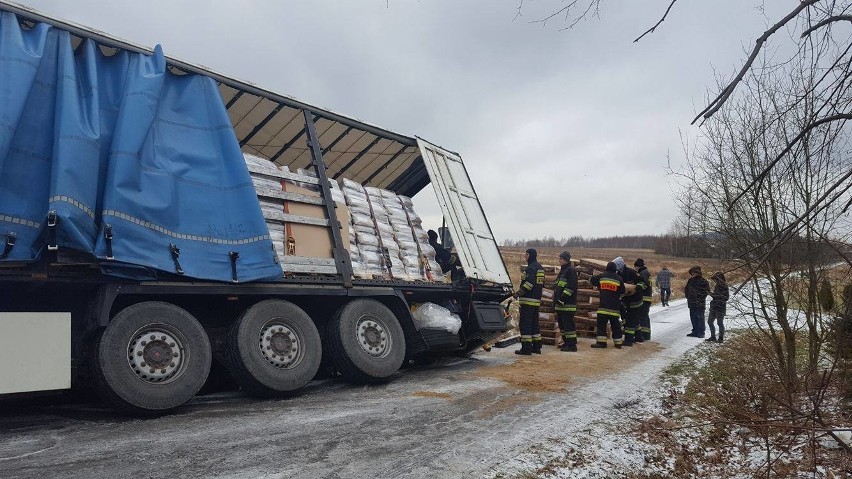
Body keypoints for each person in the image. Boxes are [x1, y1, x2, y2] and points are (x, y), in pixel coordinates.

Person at [514, 248, 545, 355]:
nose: (525, 256)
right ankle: (537, 347)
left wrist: (518, 293)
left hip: (527, 301)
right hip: (536, 301)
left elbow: (529, 284)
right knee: (534, 324)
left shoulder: (530, 268)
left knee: (525, 325)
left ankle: (526, 348)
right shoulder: (540, 268)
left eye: (526, 254)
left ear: (530, 255)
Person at [589, 261, 625, 348]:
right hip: (614, 308)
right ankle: (618, 343)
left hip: (603, 307)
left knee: (601, 325)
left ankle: (601, 343)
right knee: (616, 326)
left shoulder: (602, 276)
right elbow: (622, 292)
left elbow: (592, 281)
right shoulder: (619, 279)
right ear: (615, 269)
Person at [554, 251, 579, 352]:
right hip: (560, 305)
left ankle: (572, 345)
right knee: (562, 326)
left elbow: (570, 288)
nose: (559, 260)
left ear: (565, 259)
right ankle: (566, 342)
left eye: (560, 258)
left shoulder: (570, 271)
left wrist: (562, 299)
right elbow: (557, 285)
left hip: (567, 305)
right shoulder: (563, 271)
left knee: (568, 326)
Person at [620, 266, 643, 346]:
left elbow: (642, 283)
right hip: (628, 300)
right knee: (635, 319)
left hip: (635, 301)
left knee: (630, 320)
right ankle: (639, 337)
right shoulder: (620, 273)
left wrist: (636, 289)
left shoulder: (631, 272)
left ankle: (628, 340)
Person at [684, 266, 710, 338]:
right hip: (691, 302)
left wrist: (700, 298)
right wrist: (688, 297)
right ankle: (695, 331)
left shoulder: (703, 281)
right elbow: (686, 289)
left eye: (694, 272)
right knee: (693, 317)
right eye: (692, 273)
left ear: (698, 272)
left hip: (700, 303)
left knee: (700, 317)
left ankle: (701, 332)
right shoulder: (690, 281)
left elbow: (707, 291)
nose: (693, 274)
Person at [707, 272, 730, 342]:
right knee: (710, 322)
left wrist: (715, 295)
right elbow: (716, 295)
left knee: (719, 323)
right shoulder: (717, 285)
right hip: (714, 306)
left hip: (720, 307)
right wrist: (711, 294)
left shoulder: (725, 286)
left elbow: (726, 298)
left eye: (716, 279)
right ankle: (713, 337)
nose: (715, 281)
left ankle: (720, 338)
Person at [634, 258, 652, 341]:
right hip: (647, 298)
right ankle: (647, 334)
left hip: (644, 298)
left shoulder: (643, 273)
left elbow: (643, 284)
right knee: (645, 316)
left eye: (636, 267)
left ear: (638, 266)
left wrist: (636, 288)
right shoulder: (646, 272)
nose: (635, 269)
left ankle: (644, 335)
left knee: (642, 316)